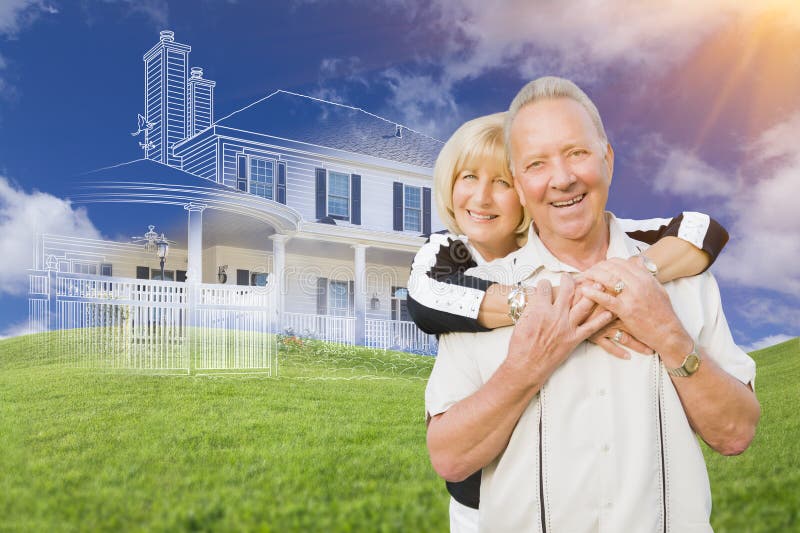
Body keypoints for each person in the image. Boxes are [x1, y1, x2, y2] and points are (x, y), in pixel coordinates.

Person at [424, 77, 759, 532]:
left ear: (608, 159)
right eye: (537, 164)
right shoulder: (479, 294)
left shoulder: (683, 277)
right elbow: (448, 457)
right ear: (520, 186)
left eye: (577, 153)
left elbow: (736, 434)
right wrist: (525, 367)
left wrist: (668, 333)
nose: (562, 179)